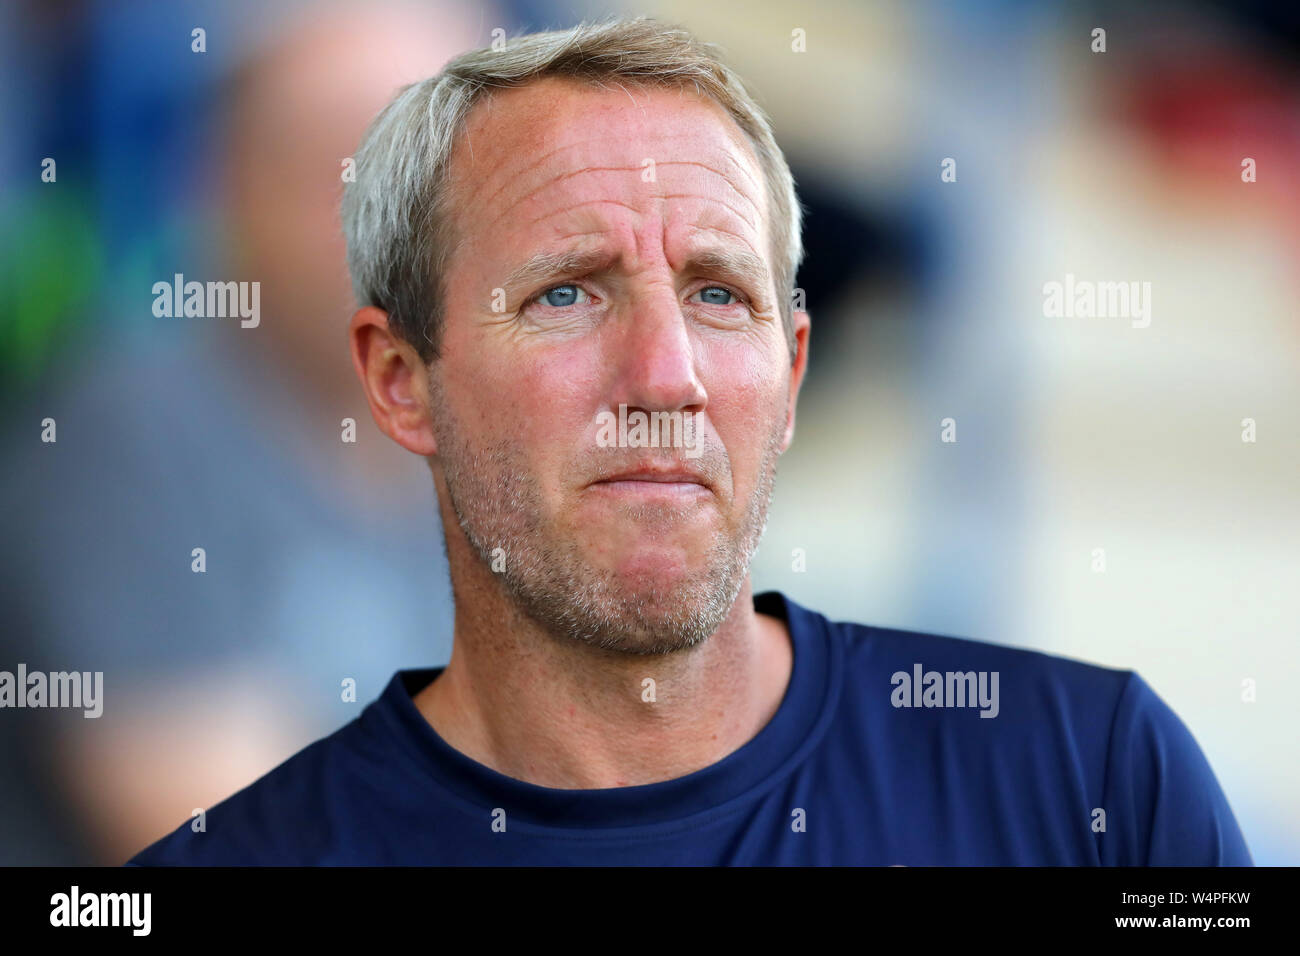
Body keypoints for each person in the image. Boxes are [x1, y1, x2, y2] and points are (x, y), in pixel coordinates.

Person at [128, 16, 1252, 866]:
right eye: (565, 294)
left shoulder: (1099, 781)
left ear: (794, 370)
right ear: (399, 379)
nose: (668, 375)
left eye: (719, 295)